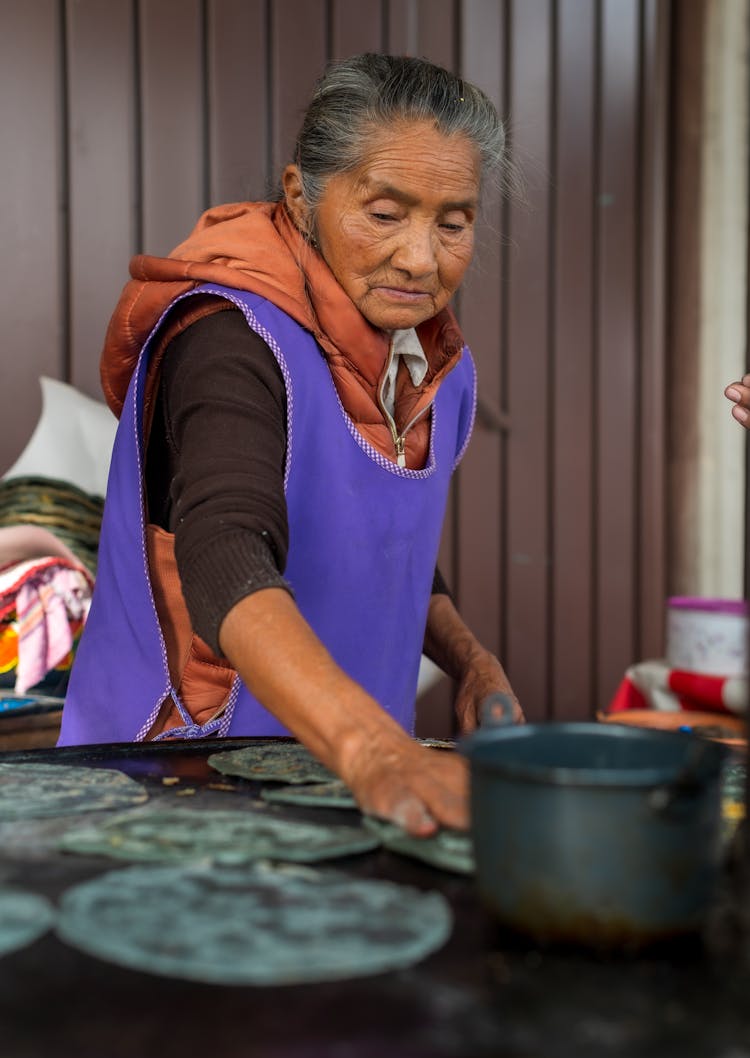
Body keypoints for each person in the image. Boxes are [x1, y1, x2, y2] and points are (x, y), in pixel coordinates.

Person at [58, 53, 522, 835]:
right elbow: (224, 552)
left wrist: (471, 661)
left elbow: (372, 534)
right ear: (301, 195)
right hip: (181, 788)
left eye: (453, 223)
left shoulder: (430, 359)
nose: (420, 257)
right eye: (384, 213)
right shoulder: (230, 338)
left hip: (339, 779)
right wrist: (379, 751)